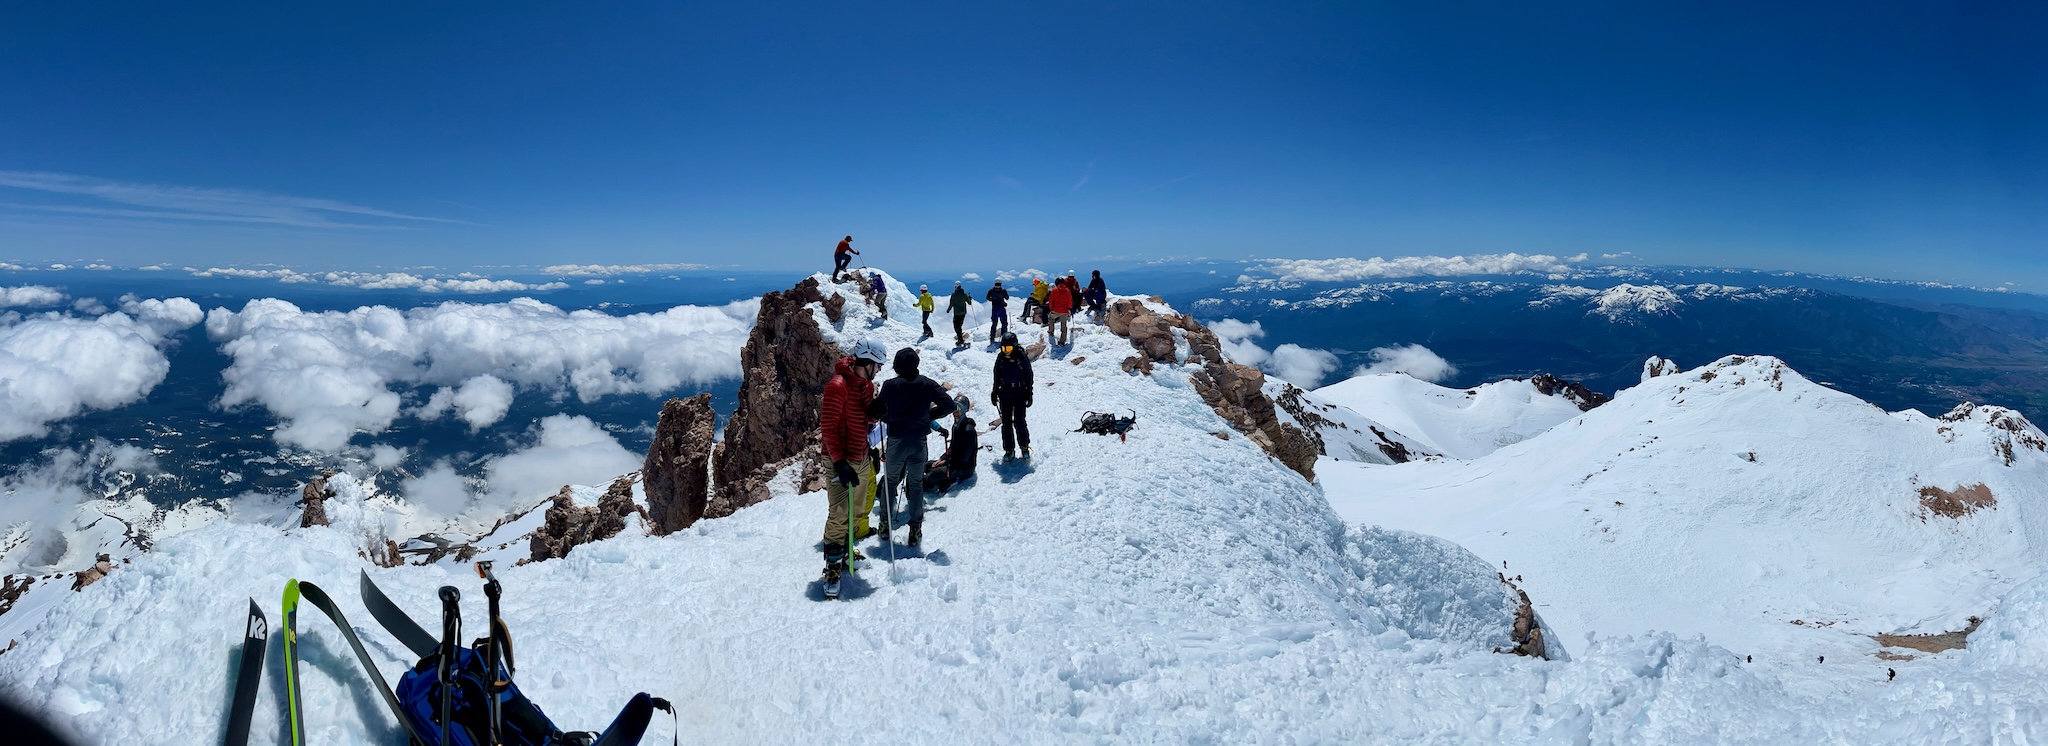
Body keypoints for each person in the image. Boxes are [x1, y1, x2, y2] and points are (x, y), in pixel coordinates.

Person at [867, 348, 957, 547]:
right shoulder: (927, 384)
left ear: (897, 365)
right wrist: (928, 417)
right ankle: (915, 529)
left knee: (890, 482)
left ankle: (884, 524)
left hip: (897, 440)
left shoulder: (890, 385)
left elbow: (880, 410)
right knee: (915, 485)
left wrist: (890, 419)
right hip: (918, 442)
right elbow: (949, 405)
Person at [819, 337, 887, 587]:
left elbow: (865, 418)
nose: (878, 370)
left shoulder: (866, 386)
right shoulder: (838, 386)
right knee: (839, 512)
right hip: (840, 459)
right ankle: (832, 566)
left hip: (860, 455)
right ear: (867, 362)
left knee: (857, 510)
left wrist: (875, 413)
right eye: (877, 365)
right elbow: (827, 427)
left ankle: (846, 551)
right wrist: (839, 463)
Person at [924, 394, 978, 493]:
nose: (955, 411)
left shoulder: (968, 430)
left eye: (959, 408)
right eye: (954, 407)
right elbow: (952, 447)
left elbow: (963, 458)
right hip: (954, 462)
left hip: (965, 468)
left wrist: (945, 462)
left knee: (933, 474)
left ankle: (930, 485)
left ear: (964, 410)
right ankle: (945, 479)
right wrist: (943, 458)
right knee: (927, 466)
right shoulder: (956, 426)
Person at [992, 332, 1033, 461]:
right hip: (1005, 393)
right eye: (1003, 348)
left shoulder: (1021, 356)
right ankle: (1009, 450)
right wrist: (994, 391)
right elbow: (997, 375)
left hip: (1020, 392)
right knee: (1006, 423)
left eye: (1008, 348)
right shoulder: (1001, 358)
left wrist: (1029, 392)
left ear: (1014, 346)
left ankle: (1024, 447)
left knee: (1020, 421)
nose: (1006, 351)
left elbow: (1028, 374)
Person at [1047, 276, 1073, 346]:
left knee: (1051, 318)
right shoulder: (1067, 291)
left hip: (1056, 310)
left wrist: (1051, 308)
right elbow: (1070, 301)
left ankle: (1051, 331)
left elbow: (1051, 300)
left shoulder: (1055, 290)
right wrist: (1069, 309)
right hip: (1064, 311)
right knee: (1064, 326)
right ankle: (1062, 341)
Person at [948, 281, 971, 346]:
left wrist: (948, 309)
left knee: (956, 326)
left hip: (957, 313)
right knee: (959, 326)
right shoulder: (964, 294)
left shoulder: (954, 294)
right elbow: (969, 303)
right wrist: (969, 298)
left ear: (956, 286)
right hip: (963, 312)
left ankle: (960, 340)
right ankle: (960, 339)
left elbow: (951, 304)